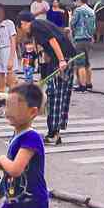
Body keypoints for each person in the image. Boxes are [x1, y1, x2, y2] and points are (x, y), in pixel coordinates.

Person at [21, 15, 75, 143]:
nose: (23, 31)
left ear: (24, 23)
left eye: (21, 28)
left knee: (54, 95)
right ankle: (56, 131)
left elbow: (52, 41)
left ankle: (53, 132)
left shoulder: (35, 26)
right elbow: (47, 50)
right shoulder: (41, 24)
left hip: (62, 60)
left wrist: (61, 60)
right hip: (67, 57)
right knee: (61, 94)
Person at [69, 0, 96, 92]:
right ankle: (89, 83)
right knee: (87, 63)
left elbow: (72, 23)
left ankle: (82, 85)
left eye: (75, 0)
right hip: (89, 39)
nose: (75, 3)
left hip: (79, 39)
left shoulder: (78, 10)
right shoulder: (91, 10)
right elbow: (93, 27)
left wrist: (70, 17)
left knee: (80, 63)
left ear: (79, 0)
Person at [0, 4, 17, 92]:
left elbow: (13, 42)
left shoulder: (9, 23)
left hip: (8, 51)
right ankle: (1, 103)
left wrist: (11, 60)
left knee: (11, 85)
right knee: (0, 86)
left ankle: (12, 104)